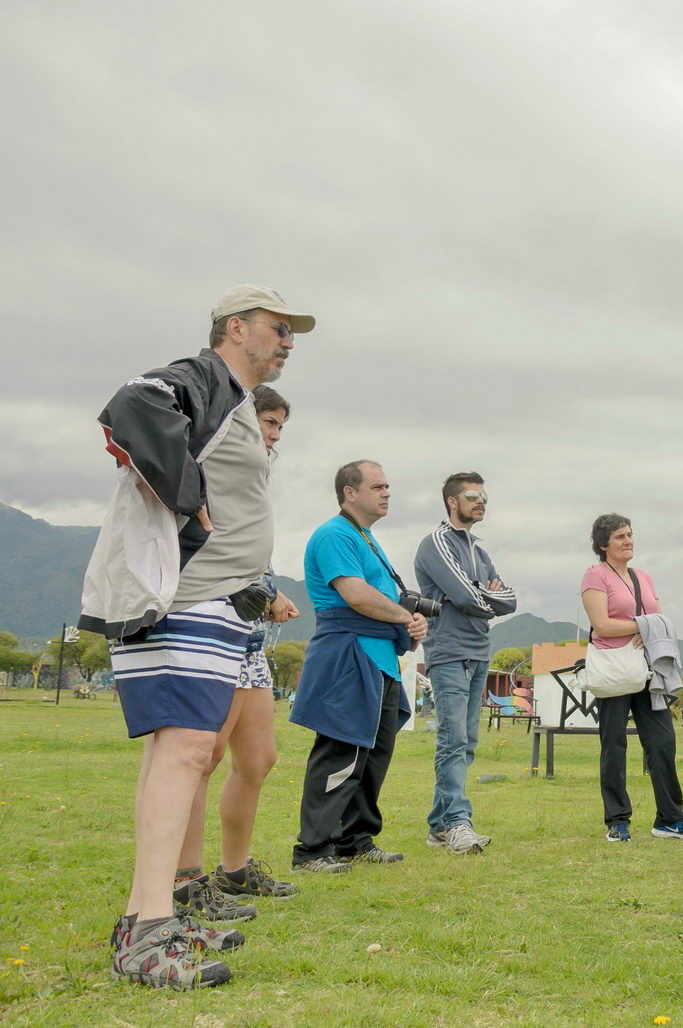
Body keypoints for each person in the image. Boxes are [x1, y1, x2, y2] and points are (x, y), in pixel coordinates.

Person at [82, 284, 313, 989]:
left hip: (219, 601)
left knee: (182, 753)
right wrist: (192, 510)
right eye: (278, 328)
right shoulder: (202, 377)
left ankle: (152, 916)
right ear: (235, 327)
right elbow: (131, 404)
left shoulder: (233, 401)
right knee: (184, 751)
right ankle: (147, 932)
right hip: (184, 594)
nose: (289, 341)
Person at [177, 386, 305, 919]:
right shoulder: (215, 471)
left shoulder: (255, 483)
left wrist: (269, 589)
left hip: (249, 638)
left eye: (278, 426)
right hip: (212, 626)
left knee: (258, 758)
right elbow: (209, 547)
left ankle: (234, 869)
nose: (273, 436)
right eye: (266, 423)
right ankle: (186, 880)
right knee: (202, 759)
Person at [290, 461, 426, 872]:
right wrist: (406, 617)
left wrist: (411, 620)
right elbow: (356, 594)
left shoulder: (365, 537)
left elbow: (381, 595)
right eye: (377, 486)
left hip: (380, 658)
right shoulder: (334, 534)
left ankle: (355, 840)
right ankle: (313, 850)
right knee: (342, 752)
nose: (387, 493)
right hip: (349, 654)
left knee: (373, 755)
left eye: (388, 486)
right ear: (350, 492)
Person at [582, 513, 683, 842]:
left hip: (648, 668)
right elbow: (603, 625)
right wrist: (643, 625)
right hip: (615, 669)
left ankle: (670, 818)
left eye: (630, 534)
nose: (628, 541)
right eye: (620, 537)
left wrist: (649, 627)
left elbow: (659, 617)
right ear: (603, 545)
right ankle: (617, 820)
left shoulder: (644, 578)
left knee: (663, 742)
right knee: (614, 744)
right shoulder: (595, 576)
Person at [414, 472, 517, 855]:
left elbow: (510, 600)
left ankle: (439, 827)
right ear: (452, 502)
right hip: (449, 651)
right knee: (452, 739)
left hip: (479, 651)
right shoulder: (436, 542)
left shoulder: (481, 551)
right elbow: (466, 595)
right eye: (473, 495)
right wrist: (482, 596)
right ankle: (458, 823)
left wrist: (480, 597)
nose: (481, 501)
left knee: (467, 742)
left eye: (484, 496)